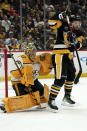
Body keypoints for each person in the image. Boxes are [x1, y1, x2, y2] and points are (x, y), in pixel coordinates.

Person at [48, 12, 84, 112]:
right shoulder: (62, 25)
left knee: (71, 75)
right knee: (60, 78)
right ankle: (51, 100)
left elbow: (79, 46)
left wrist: (76, 42)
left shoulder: (79, 32)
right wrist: (58, 15)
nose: (78, 25)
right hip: (59, 54)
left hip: (68, 55)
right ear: (71, 22)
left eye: (79, 23)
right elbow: (50, 23)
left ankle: (66, 97)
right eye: (76, 23)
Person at [0, 44, 51, 113]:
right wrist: (24, 74)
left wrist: (46, 64)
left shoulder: (37, 60)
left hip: (33, 81)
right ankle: (5, 105)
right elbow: (13, 72)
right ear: (27, 52)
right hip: (19, 83)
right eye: (31, 51)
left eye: (34, 51)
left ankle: (39, 102)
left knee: (42, 94)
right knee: (23, 99)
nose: (33, 53)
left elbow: (43, 72)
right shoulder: (21, 59)